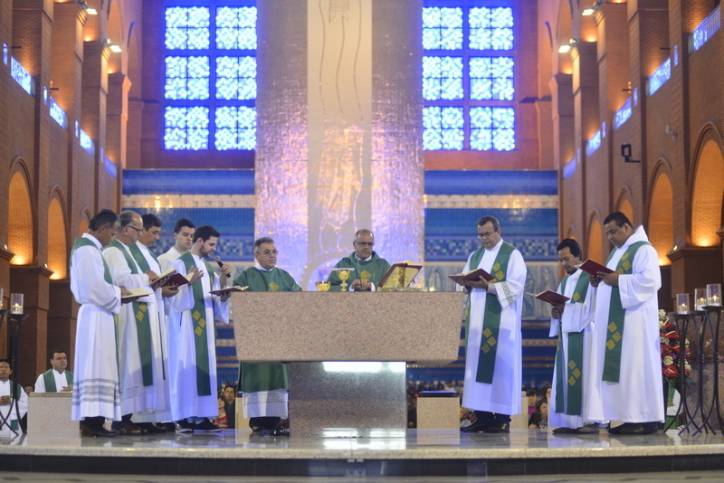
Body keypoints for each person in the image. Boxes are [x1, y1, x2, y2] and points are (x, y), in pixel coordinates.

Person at [586, 212, 664, 435]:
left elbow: (651, 281)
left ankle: (643, 419)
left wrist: (618, 279)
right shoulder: (616, 254)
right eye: (607, 233)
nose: (610, 237)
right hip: (617, 325)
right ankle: (629, 418)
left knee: (635, 369)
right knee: (625, 371)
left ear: (627, 227)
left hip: (634, 324)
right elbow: (611, 282)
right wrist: (598, 282)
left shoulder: (644, 250)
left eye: (613, 231)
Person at [457, 216, 526, 433]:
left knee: (501, 371)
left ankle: (502, 418)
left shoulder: (512, 255)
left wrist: (489, 287)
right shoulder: (475, 256)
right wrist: (465, 284)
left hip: (502, 325)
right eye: (480, 235)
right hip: (477, 325)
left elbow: (516, 287)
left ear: (498, 231)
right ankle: (483, 417)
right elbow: (463, 283)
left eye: (487, 234)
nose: (484, 238)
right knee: (477, 370)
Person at [103, 211, 166, 434]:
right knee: (128, 365)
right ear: (126, 229)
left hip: (141, 313)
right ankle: (121, 418)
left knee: (139, 368)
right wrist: (148, 278)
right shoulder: (113, 251)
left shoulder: (132, 252)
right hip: (127, 315)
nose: (140, 234)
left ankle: (136, 416)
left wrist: (157, 283)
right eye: (138, 229)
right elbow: (120, 280)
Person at [233, 237, 301, 436]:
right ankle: (257, 421)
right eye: (267, 252)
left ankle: (277, 420)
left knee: (277, 378)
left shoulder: (284, 277)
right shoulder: (246, 277)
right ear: (257, 255)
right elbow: (237, 302)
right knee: (259, 377)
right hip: (255, 337)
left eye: (274, 252)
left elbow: (299, 299)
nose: (272, 256)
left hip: (279, 336)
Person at [168, 225, 231, 433]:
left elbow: (217, 300)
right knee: (187, 369)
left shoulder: (210, 269)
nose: (213, 249)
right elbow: (174, 300)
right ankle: (184, 417)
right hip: (186, 328)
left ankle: (204, 416)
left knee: (205, 369)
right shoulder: (180, 263)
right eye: (211, 244)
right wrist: (188, 282)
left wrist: (224, 282)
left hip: (206, 328)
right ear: (200, 241)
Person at [70, 209, 123, 437]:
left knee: (101, 365)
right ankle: (92, 421)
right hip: (96, 316)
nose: (112, 237)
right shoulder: (88, 251)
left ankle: (96, 421)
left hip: (99, 314)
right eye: (112, 232)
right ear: (102, 229)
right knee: (96, 365)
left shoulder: (89, 249)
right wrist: (119, 293)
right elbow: (94, 287)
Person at [129, 213, 178, 427]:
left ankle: (151, 417)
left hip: (155, 314)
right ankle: (137, 417)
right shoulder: (131, 253)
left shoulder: (149, 255)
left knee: (156, 367)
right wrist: (158, 287)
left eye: (159, 233)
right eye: (154, 232)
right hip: (139, 315)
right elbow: (133, 282)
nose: (157, 237)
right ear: (141, 231)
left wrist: (165, 290)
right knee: (142, 366)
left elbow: (154, 285)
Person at [548, 239, 597, 434]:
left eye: (566, 259)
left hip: (584, 337)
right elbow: (560, 308)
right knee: (565, 378)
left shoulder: (590, 278)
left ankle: (587, 422)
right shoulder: (565, 282)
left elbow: (591, 310)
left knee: (584, 377)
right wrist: (555, 313)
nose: (563, 264)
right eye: (560, 260)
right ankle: (568, 422)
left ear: (578, 256)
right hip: (566, 338)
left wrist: (565, 310)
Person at [0, 359, 28, 438]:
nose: (3, 369)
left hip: (13, 424)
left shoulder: (17, 387)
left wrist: (11, 401)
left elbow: (26, 404)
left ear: (10, 371)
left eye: (6, 367)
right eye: (1, 367)